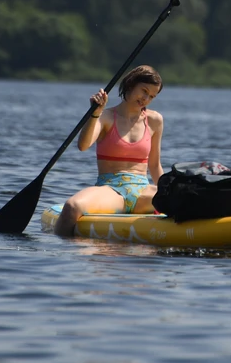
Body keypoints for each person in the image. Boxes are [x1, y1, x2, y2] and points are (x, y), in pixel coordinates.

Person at [53, 65, 165, 236]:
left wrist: (168, 191)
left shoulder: (155, 120)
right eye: (143, 91)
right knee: (72, 207)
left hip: (143, 191)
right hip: (111, 190)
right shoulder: (105, 117)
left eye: (151, 96)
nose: (145, 98)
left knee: (189, 200)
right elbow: (83, 146)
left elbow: (155, 165)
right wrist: (95, 113)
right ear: (130, 84)